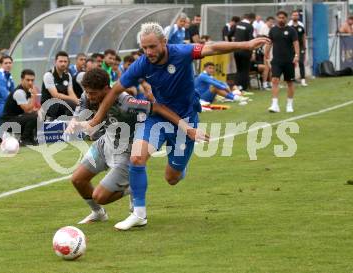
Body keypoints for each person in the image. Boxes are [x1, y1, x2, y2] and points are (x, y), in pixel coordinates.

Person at [84, 22, 269, 230]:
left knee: (172, 178)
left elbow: (214, 48)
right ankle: (139, 214)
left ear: (164, 42)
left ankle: (180, 167)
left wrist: (247, 45)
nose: (148, 52)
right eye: (144, 48)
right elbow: (116, 89)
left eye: (152, 46)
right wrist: (95, 119)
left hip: (186, 121)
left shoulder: (181, 52)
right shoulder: (142, 64)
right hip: (158, 118)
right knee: (137, 157)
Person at [67, 68, 200, 224]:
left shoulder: (125, 102)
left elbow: (157, 108)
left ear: (106, 88)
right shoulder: (87, 96)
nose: (89, 96)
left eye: (93, 93)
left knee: (100, 196)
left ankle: (133, 186)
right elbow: (79, 112)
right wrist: (74, 123)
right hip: (105, 144)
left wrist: (186, 127)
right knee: (77, 179)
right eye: (87, 92)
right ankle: (98, 213)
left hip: (126, 153)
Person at [264, 11, 299, 113]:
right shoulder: (273, 30)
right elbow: (269, 43)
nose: (281, 19)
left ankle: (289, 105)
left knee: (290, 82)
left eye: (283, 17)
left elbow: (296, 44)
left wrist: (297, 56)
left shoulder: (291, 30)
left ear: (286, 18)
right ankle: (274, 105)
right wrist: (266, 55)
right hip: (276, 61)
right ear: (276, 18)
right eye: (279, 17)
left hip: (289, 60)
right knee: (274, 80)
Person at [3, 69, 39, 146]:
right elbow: (27, 110)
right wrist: (33, 96)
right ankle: (24, 139)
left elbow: (30, 110)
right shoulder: (19, 92)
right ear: (22, 80)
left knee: (37, 115)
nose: (30, 82)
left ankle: (31, 138)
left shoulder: (28, 91)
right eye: (28, 80)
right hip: (9, 123)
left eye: (32, 80)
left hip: (18, 119)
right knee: (34, 116)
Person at [41, 51, 79, 120]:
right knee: (70, 104)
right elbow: (55, 95)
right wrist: (73, 100)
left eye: (65, 61)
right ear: (55, 62)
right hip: (48, 105)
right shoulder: (48, 75)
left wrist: (78, 102)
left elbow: (71, 92)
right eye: (60, 61)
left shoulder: (68, 75)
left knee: (79, 106)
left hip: (63, 103)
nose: (63, 64)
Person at [229, 13, 255, 91]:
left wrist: (233, 42)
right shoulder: (249, 26)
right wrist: (253, 52)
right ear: (251, 19)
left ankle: (237, 87)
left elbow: (229, 34)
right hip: (245, 51)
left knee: (239, 69)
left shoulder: (236, 24)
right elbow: (251, 40)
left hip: (236, 50)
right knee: (245, 70)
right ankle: (243, 87)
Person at [288, 10, 308, 87]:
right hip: (291, 48)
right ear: (291, 16)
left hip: (301, 47)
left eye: (296, 15)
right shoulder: (289, 26)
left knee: (301, 62)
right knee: (292, 63)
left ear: (298, 17)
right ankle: (292, 79)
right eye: (294, 15)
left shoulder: (301, 25)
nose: (295, 16)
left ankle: (303, 80)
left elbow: (303, 36)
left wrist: (304, 47)